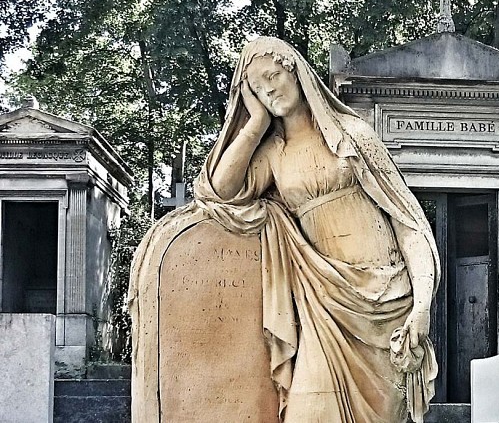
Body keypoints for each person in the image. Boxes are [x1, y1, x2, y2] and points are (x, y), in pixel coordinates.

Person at [128, 37, 439, 423]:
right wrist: (256, 123)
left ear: (296, 72)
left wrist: (422, 305)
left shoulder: (352, 135)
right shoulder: (273, 152)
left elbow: (407, 224)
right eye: (258, 87)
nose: (270, 89)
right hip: (322, 301)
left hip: (385, 304)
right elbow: (221, 191)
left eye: (274, 75)